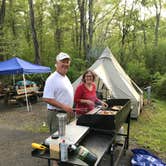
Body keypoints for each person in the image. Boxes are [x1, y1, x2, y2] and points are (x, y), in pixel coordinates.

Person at [43, 52, 74, 135]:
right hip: (56, 114)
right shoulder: (52, 79)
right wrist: (65, 107)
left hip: (65, 113)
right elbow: (47, 98)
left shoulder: (65, 77)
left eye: (67, 62)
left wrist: (69, 109)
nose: (65, 64)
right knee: (57, 140)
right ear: (57, 64)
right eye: (63, 62)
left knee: (65, 138)